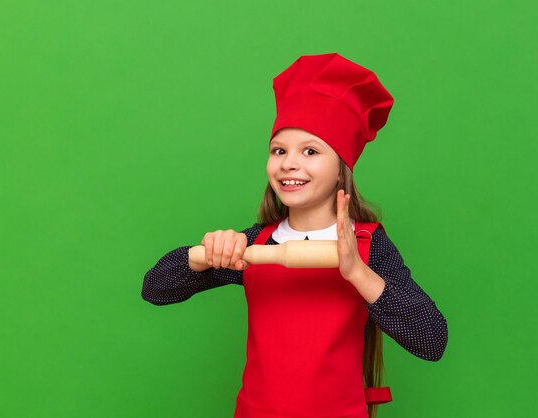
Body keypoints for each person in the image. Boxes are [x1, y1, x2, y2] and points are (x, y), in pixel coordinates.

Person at [141, 52, 448, 418]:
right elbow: (154, 289)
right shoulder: (256, 245)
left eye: (310, 151)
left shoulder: (368, 245)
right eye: (279, 150)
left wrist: (357, 272)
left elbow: (432, 340)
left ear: (340, 169)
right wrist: (203, 254)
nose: (289, 163)